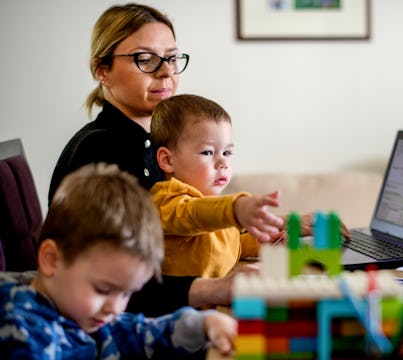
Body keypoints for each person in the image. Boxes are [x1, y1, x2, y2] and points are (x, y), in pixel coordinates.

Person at [47, 3, 257, 315]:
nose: (166, 72)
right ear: (101, 70)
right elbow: (107, 278)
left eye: (172, 58)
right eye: (145, 60)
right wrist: (214, 288)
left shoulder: (150, 144)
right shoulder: (103, 151)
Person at [0, 163, 236, 358]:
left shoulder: (83, 313)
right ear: (52, 259)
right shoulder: (24, 337)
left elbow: (136, 331)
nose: (115, 307)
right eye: (103, 289)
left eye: (126, 294)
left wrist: (204, 324)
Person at [150, 94, 286, 278]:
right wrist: (235, 208)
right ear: (167, 160)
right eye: (207, 152)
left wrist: (258, 243)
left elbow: (223, 248)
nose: (223, 162)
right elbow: (193, 215)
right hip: (178, 304)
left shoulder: (214, 205)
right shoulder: (165, 200)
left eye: (227, 152)